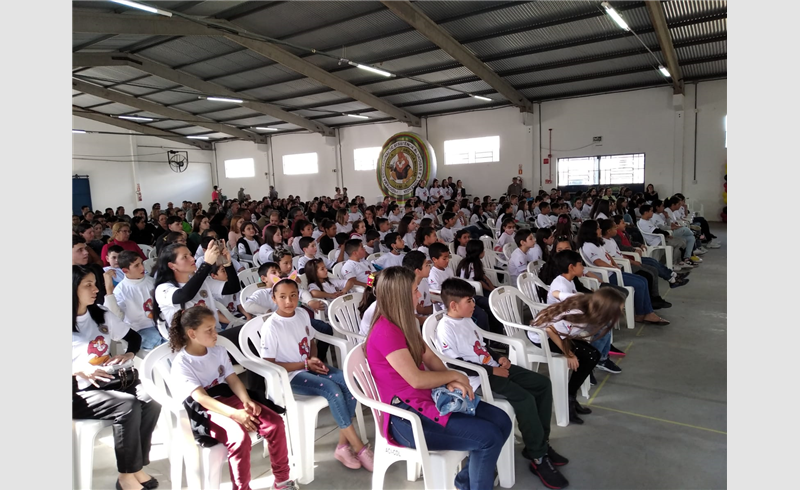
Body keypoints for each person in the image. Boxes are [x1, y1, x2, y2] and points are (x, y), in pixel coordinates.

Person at [365, 266, 512, 490]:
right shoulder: (386, 331)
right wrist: (453, 375)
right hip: (408, 419)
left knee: (502, 420)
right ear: (400, 295)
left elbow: (431, 357)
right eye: (415, 290)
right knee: (488, 437)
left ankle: (466, 482)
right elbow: (416, 379)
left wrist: (447, 379)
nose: (419, 294)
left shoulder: (404, 323)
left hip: (428, 400)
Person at [436, 278, 569, 488]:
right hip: (479, 379)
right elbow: (456, 364)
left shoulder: (467, 319)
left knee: (542, 384)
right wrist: (491, 369)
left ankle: (540, 443)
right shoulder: (446, 328)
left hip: (493, 367)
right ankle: (538, 457)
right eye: (469, 301)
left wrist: (498, 358)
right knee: (524, 399)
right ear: (453, 305)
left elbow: (481, 346)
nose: (474, 304)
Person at [169, 306, 297, 490]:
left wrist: (246, 401)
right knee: (238, 438)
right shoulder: (182, 363)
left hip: (227, 398)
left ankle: (282, 480)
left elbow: (233, 379)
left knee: (275, 423)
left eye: (215, 328)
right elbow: (201, 399)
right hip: (205, 410)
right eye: (209, 330)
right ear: (192, 334)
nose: (216, 334)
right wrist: (235, 414)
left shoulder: (218, 351)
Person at [261, 279, 374, 471]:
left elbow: (311, 340)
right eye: (282, 297)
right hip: (289, 377)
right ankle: (359, 447)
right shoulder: (272, 326)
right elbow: (268, 364)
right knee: (332, 389)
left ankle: (342, 446)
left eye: (293, 295)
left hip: (307, 367)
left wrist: (313, 359)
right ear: (273, 298)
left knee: (351, 381)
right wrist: (305, 364)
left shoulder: (301, 315)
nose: (289, 301)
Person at [72, 265, 161, 490]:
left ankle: (136, 468)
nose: (95, 290)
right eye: (88, 285)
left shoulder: (99, 313)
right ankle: (126, 476)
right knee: (128, 405)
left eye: (95, 284)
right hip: (77, 391)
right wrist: (79, 370)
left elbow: (133, 337)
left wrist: (128, 353)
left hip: (107, 382)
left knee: (151, 397)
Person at [528, 288, 626, 424]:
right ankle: (568, 399)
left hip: (557, 332)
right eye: (619, 309)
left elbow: (556, 294)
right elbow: (551, 330)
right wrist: (569, 354)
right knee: (590, 356)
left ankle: (571, 396)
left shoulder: (585, 299)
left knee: (593, 355)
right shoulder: (580, 316)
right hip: (542, 336)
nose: (621, 312)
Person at [577, 220, 670, 324]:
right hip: (607, 275)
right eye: (598, 228)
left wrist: (614, 265)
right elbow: (598, 262)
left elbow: (608, 256)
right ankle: (646, 313)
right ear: (591, 231)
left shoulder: (597, 242)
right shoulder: (588, 245)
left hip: (612, 271)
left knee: (643, 280)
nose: (600, 230)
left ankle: (644, 313)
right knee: (639, 284)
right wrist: (613, 268)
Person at [152, 241, 242, 344]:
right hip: (190, 342)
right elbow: (184, 295)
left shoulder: (202, 281)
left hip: (215, 333)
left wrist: (227, 264)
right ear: (172, 266)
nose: (192, 258)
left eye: (190, 255)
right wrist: (206, 264)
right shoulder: (163, 288)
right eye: (185, 257)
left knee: (248, 332)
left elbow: (233, 287)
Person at [113, 251, 166, 350]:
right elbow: (116, 315)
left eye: (141, 263)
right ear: (125, 270)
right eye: (136, 265)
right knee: (157, 344)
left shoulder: (152, 282)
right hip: (139, 328)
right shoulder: (121, 291)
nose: (142, 268)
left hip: (160, 323)